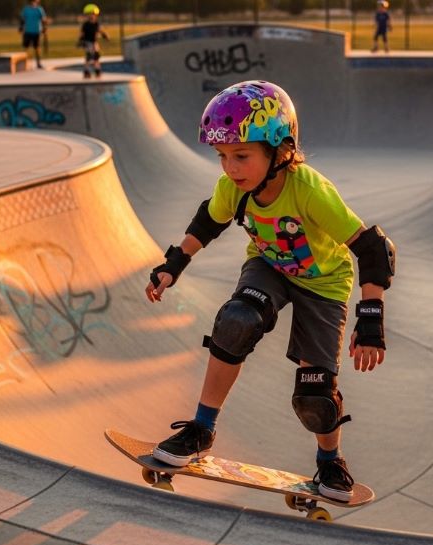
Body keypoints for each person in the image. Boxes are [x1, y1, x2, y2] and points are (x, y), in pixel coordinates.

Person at [144, 80, 395, 502]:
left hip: (324, 283)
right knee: (236, 322)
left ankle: (330, 461)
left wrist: (370, 317)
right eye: (223, 157)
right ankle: (201, 429)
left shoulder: (311, 192)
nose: (231, 169)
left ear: (280, 151)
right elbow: (208, 221)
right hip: (268, 267)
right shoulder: (234, 188)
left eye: (242, 156)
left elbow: (374, 249)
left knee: (315, 397)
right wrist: (174, 264)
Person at [79, 4, 109, 79]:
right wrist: (81, 40)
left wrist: (105, 36)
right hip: (88, 42)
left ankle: (97, 70)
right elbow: (81, 33)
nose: (92, 16)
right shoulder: (85, 24)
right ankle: (86, 71)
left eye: (93, 14)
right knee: (89, 57)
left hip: (94, 43)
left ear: (95, 15)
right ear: (87, 15)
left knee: (96, 57)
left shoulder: (96, 24)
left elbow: (100, 31)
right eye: (90, 14)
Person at [19, 0, 47, 69]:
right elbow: (22, 19)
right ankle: (23, 63)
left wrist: (44, 28)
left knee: (37, 48)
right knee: (25, 48)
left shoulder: (39, 9)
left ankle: (38, 63)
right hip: (27, 31)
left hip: (36, 31)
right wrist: (21, 27)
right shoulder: (26, 9)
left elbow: (43, 19)